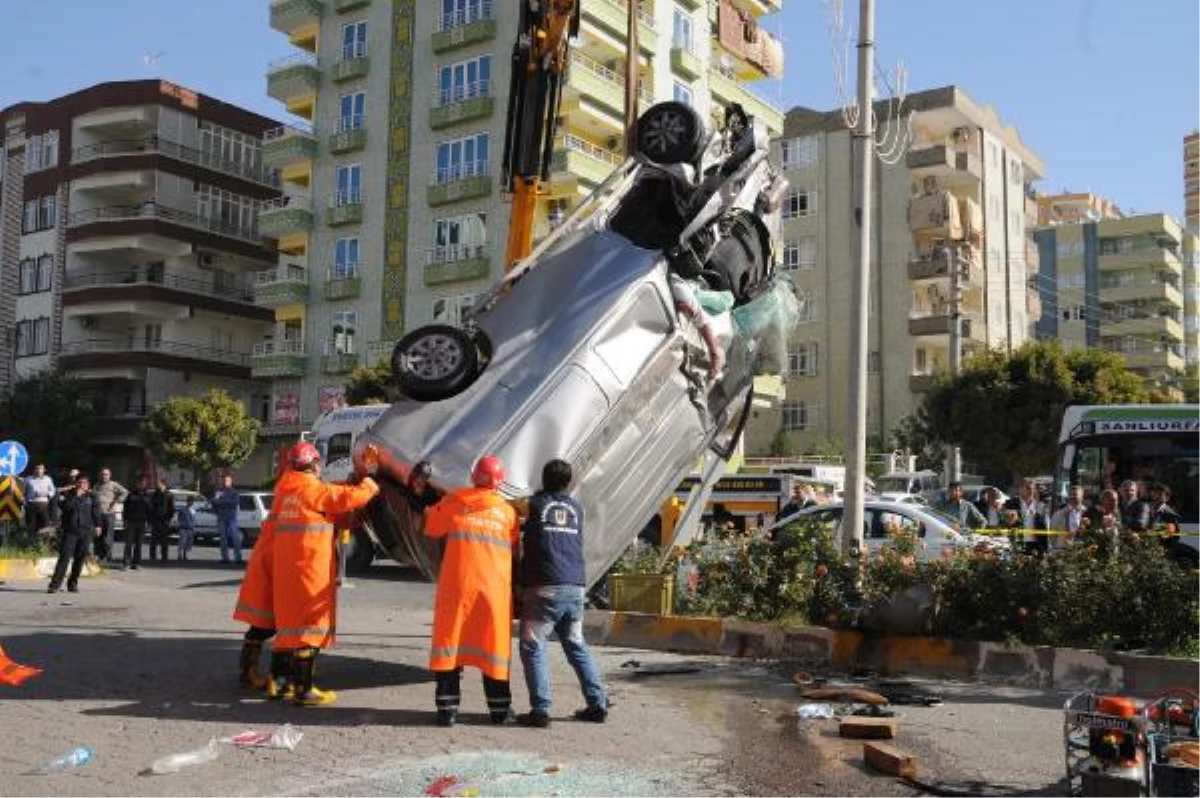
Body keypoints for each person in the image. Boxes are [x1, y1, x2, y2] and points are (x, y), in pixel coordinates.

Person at [269, 441, 379, 706]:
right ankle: (304, 691)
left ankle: (280, 685)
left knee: (288, 629)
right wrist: (369, 482)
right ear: (314, 464)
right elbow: (345, 498)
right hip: (309, 570)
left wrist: (353, 478)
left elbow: (326, 504)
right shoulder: (312, 490)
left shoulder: (285, 492)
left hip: (286, 572)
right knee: (309, 629)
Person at [425, 454, 521, 727]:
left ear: (473, 477)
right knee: (493, 648)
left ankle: (447, 710)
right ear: (499, 483)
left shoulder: (455, 502)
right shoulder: (507, 513)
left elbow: (431, 526)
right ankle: (500, 711)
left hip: (458, 588)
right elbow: (514, 546)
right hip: (493, 593)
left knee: (449, 646)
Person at [517, 458, 608, 728]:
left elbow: (515, 515)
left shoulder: (534, 505)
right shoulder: (576, 509)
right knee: (576, 645)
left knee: (533, 645)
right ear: (568, 483)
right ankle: (597, 703)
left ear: (543, 479)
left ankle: (541, 710)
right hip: (575, 587)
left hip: (546, 587)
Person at [48, 474, 102, 594]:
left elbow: (96, 511)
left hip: (85, 531)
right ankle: (54, 585)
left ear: (88, 485)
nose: (82, 485)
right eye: (80, 482)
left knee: (80, 559)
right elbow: (56, 503)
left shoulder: (92, 496)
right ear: (76, 483)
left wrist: (98, 525)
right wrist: (61, 491)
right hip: (70, 531)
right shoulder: (68, 495)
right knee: (64, 558)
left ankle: (73, 584)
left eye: (85, 483)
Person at [92, 467, 128, 564]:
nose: (104, 476)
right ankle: (98, 556)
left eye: (106, 474)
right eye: (103, 474)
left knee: (108, 537)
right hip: (98, 514)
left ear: (110, 475)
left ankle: (107, 556)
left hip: (109, 514)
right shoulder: (96, 485)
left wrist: (117, 501)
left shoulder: (114, 484)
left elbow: (125, 492)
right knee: (98, 536)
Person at [1004, 479, 1049, 554]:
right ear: (1020, 489)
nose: (1030, 490)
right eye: (1028, 488)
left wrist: (1045, 547)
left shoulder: (1041, 506)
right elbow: (1005, 520)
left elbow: (1046, 525)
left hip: (1037, 544)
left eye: (1032, 488)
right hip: (1018, 542)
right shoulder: (1011, 503)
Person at [122, 474, 153, 571]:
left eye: (144, 483)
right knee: (129, 544)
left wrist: (149, 523)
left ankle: (136, 563)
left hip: (142, 522)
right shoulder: (131, 494)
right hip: (131, 522)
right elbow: (125, 509)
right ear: (137, 484)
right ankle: (126, 563)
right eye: (140, 483)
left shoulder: (147, 495)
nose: (142, 484)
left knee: (139, 544)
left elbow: (150, 511)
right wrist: (125, 521)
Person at [212, 474, 243, 564]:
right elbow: (214, 503)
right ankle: (225, 558)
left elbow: (234, 503)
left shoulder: (234, 492)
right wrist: (220, 504)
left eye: (228, 480)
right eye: (225, 480)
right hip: (221, 518)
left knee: (235, 538)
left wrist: (221, 502)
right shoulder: (219, 492)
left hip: (232, 518)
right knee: (223, 539)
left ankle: (238, 558)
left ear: (231, 482)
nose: (226, 482)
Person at [23, 464, 56, 547]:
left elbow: (52, 490)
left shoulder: (48, 479)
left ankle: (45, 546)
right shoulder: (28, 479)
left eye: (41, 469)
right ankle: (31, 545)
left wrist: (47, 494)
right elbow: (23, 492)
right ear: (34, 470)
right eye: (37, 469)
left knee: (45, 526)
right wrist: (25, 503)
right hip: (32, 505)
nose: (39, 471)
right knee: (31, 527)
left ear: (44, 470)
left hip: (44, 505)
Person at [149, 477, 175, 562]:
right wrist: (151, 519)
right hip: (156, 520)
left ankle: (164, 556)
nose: (158, 485)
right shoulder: (154, 494)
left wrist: (168, 518)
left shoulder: (169, 494)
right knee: (153, 540)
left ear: (164, 484)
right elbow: (151, 507)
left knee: (164, 540)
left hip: (165, 521)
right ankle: (152, 556)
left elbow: (172, 508)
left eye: (159, 483)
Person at [176, 495, 196, 561]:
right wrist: (180, 524)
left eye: (192, 502)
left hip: (190, 528)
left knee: (188, 542)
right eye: (189, 501)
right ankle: (179, 554)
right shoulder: (182, 509)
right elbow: (179, 518)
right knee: (182, 542)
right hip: (183, 528)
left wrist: (193, 528)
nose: (191, 503)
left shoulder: (193, 510)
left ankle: (185, 555)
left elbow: (193, 519)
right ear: (187, 502)